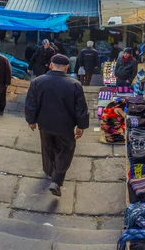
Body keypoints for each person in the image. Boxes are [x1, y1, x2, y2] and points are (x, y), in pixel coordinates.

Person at [25, 54, 89, 197]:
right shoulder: (74, 84)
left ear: (51, 65)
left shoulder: (37, 82)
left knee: (47, 148)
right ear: (66, 67)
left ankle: (49, 172)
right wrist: (81, 126)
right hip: (65, 126)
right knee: (66, 150)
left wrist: (31, 120)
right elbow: (81, 108)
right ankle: (57, 180)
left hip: (44, 124)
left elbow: (30, 104)